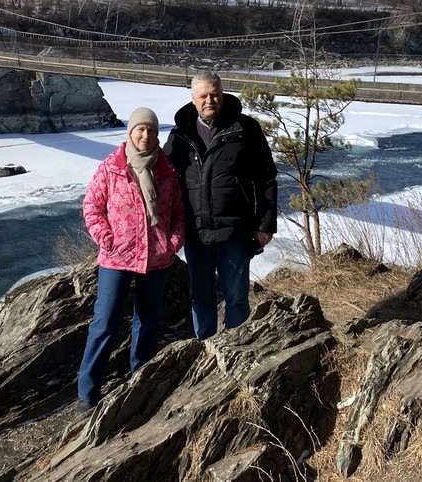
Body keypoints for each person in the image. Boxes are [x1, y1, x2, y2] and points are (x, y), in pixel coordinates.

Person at [77, 107, 185, 412]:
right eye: (140, 129)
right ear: (130, 132)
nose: (145, 135)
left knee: (148, 323)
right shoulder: (111, 167)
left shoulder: (166, 170)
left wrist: (173, 241)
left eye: (151, 130)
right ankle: (87, 393)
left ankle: (140, 381)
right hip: (116, 259)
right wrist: (106, 239)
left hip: (157, 258)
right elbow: (92, 207)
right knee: (105, 323)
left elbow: (178, 212)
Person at [164, 70, 278, 339]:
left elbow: (266, 178)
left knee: (236, 299)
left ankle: (236, 352)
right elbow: (166, 183)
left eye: (214, 94)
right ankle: (206, 350)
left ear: (223, 95)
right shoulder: (180, 136)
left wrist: (265, 225)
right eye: (203, 95)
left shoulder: (245, 129)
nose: (209, 100)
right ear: (193, 99)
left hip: (235, 233)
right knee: (200, 299)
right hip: (196, 234)